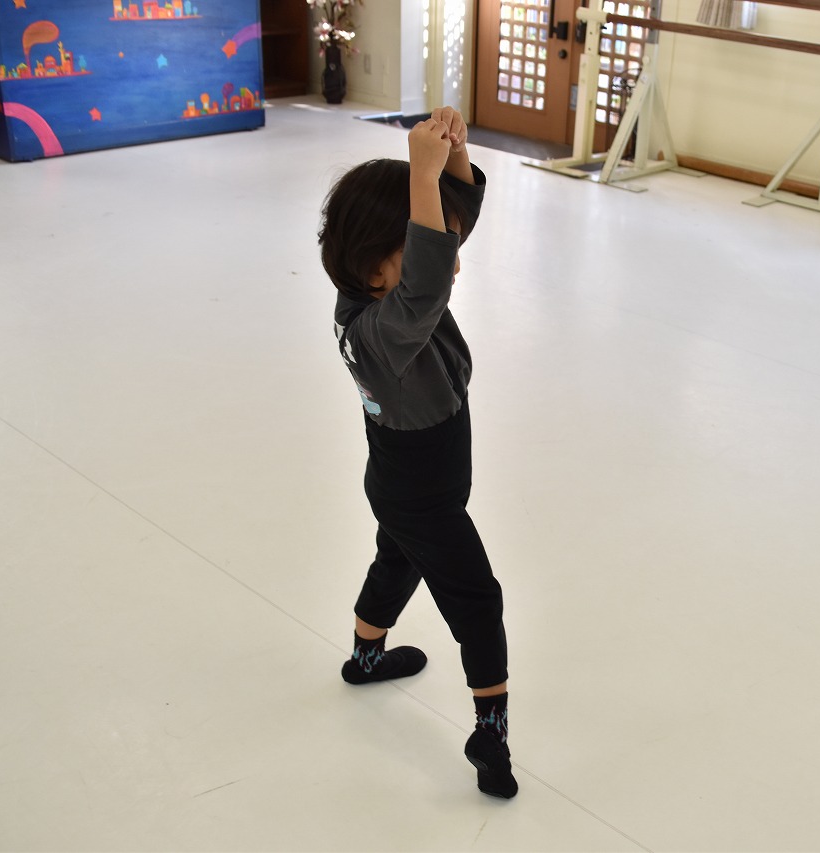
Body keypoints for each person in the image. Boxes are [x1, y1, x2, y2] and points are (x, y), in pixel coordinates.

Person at [317, 106, 516, 799]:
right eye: (423, 246)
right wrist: (423, 175)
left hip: (402, 482)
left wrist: (450, 158)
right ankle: (490, 730)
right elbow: (429, 277)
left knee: (397, 559)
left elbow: (444, 238)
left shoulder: (382, 300)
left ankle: (366, 657)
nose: (450, 260)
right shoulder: (381, 332)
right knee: (477, 600)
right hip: (424, 493)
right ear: (374, 265)